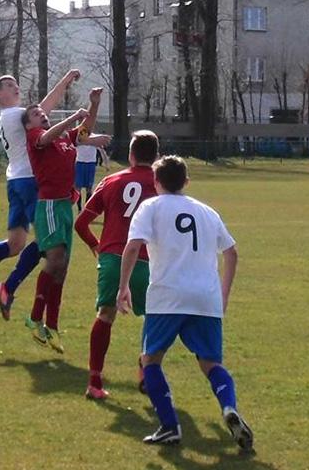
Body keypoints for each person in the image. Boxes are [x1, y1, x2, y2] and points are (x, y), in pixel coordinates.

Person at [118, 155, 253, 450]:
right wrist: (224, 295)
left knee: (150, 360)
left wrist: (123, 287)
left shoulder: (150, 206)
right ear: (187, 182)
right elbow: (231, 253)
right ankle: (228, 407)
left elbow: (132, 246)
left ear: (155, 182)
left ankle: (169, 426)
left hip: (167, 296)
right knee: (211, 363)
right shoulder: (206, 211)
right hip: (206, 298)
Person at [0, 69, 81, 315]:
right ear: (0, 95)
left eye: (15, 83)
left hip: (15, 181)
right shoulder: (14, 114)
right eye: (9, 85)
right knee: (47, 242)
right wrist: (65, 81)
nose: (15, 86)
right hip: (30, 181)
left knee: (14, 244)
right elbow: (44, 109)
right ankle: (8, 288)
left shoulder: (7, 116)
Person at [22, 89, 111, 353]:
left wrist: (93, 105)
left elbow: (85, 131)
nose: (42, 115)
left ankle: (52, 326)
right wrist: (74, 116)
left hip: (64, 206)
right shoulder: (36, 137)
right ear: (29, 125)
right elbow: (50, 135)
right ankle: (35, 317)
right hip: (48, 205)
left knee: (62, 269)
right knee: (55, 260)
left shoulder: (63, 138)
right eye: (37, 114)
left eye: (42, 112)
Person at [74, 130, 159, 400]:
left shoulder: (111, 180)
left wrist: (96, 245)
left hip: (112, 258)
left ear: (131, 155)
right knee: (155, 316)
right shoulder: (162, 182)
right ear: (156, 156)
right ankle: (146, 369)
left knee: (105, 315)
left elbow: (81, 224)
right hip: (147, 260)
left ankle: (95, 383)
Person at [74, 143, 98, 212]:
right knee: (78, 188)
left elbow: (102, 150)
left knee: (89, 188)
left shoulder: (95, 139)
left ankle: (86, 209)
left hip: (91, 164)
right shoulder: (78, 138)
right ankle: (79, 209)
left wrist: (106, 163)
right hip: (79, 164)